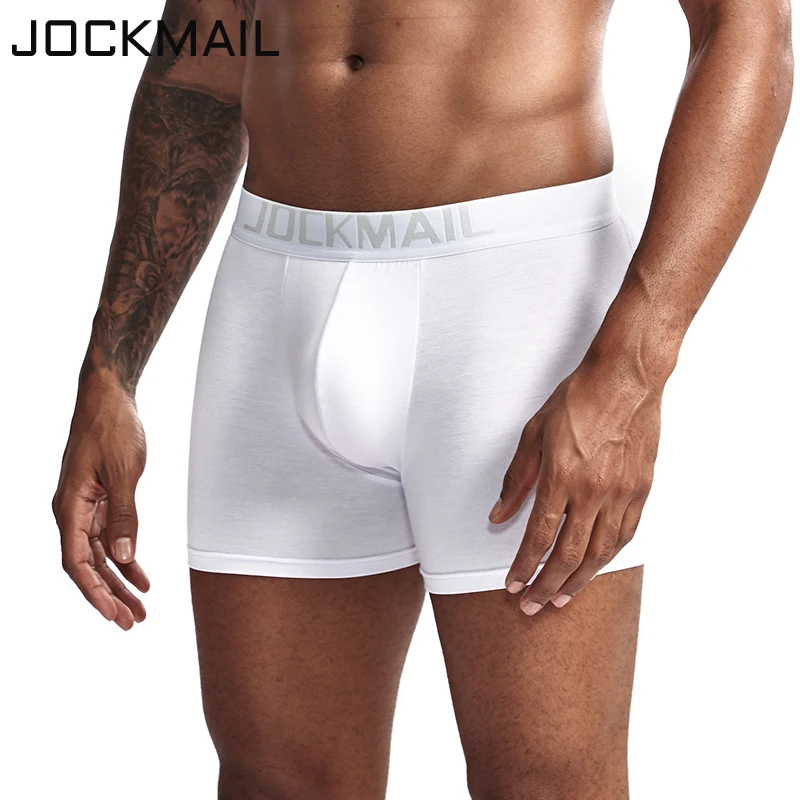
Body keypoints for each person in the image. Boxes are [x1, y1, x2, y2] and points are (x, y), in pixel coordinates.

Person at [51, 1, 793, 798]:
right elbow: (199, 67)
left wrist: (631, 374)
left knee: (546, 784)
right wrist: (110, 371)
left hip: (516, 306)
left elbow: (748, 25)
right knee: (276, 780)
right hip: (273, 296)